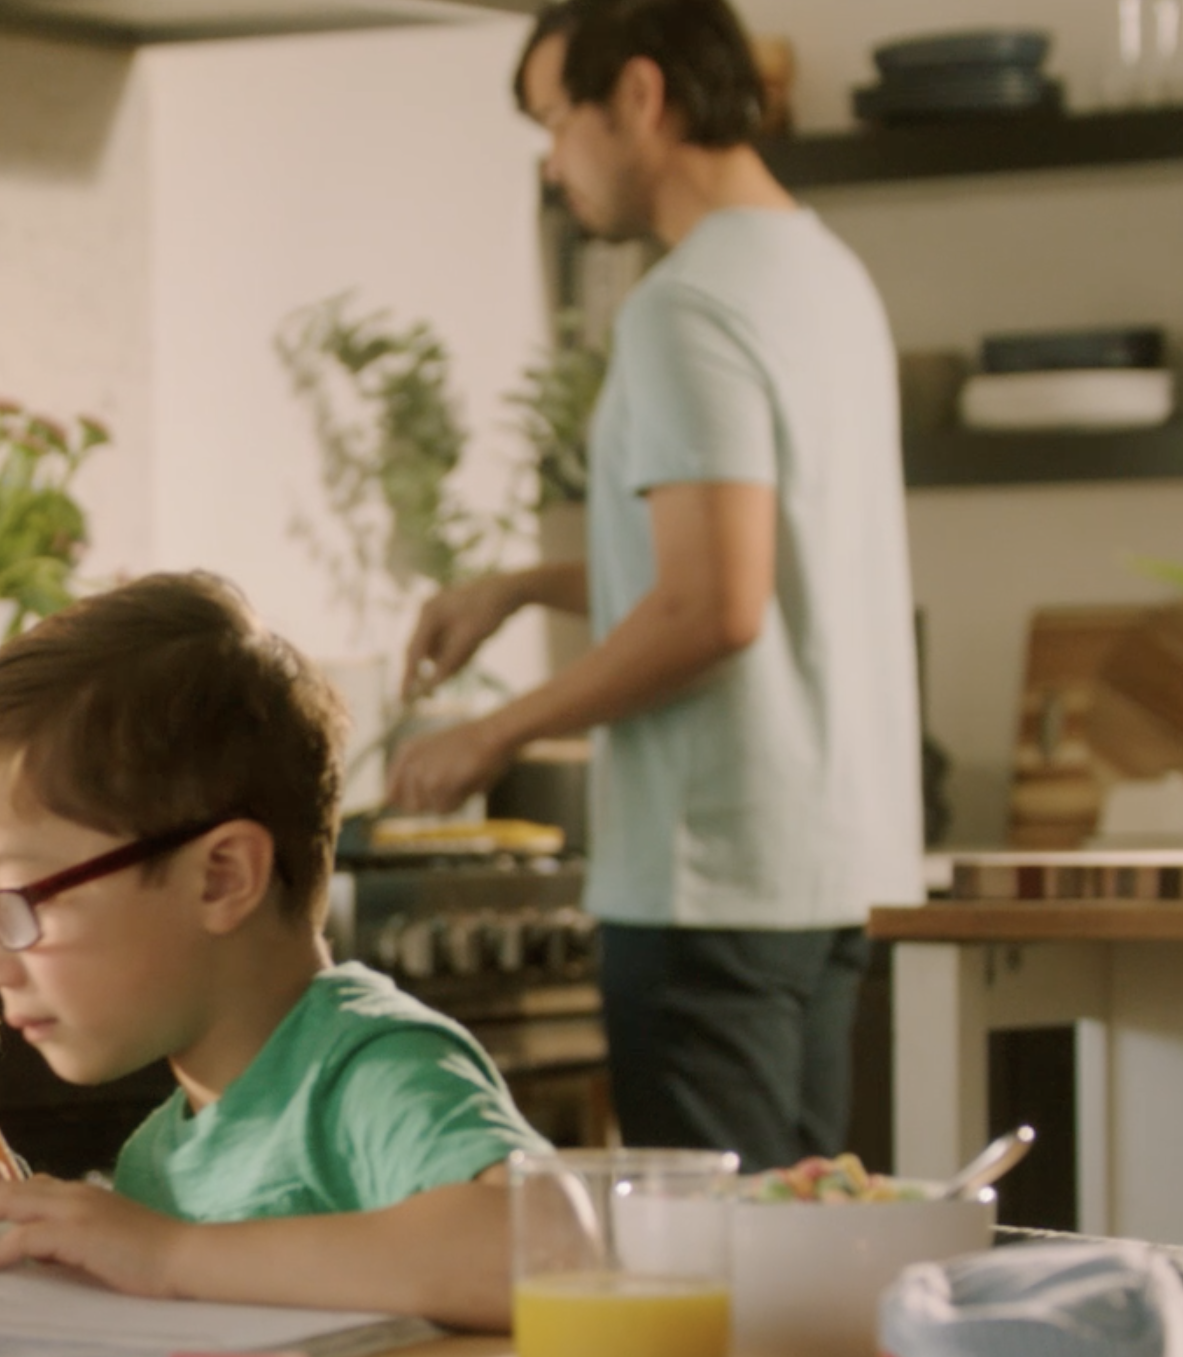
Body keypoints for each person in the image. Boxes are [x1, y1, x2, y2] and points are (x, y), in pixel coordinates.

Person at [385, 0, 922, 1174]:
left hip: (706, 883)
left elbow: (712, 610)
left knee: (721, 1281)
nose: (550, 160)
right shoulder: (823, 276)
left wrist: (492, 732)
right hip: (830, 870)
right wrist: (527, 585)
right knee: (803, 1259)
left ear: (635, 96)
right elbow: (765, 567)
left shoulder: (685, 309)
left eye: (552, 118)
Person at [0, 573, 548, 1333]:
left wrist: (169, 1255)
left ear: (222, 878)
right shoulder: (161, 1154)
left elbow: (541, 1248)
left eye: (18, 904)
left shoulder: (366, 1072)